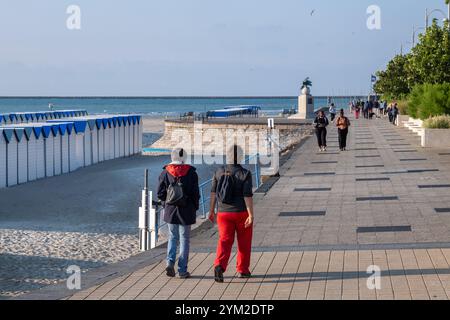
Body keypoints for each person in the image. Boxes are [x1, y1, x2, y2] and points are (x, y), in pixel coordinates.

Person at [209, 145, 254, 283]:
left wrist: (211, 211)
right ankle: (243, 270)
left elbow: (213, 193)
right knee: (244, 243)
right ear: (240, 157)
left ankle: (219, 266)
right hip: (241, 213)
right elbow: (247, 195)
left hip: (223, 213)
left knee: (224, 240)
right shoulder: (245, 174)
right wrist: (250, 214)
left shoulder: (218, 172)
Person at [157, 148, 200, 279]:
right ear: (184, 157)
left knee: (172, 237)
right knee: (184, 239)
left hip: (171, 210)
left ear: (172, 156)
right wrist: (194, 207)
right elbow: (195, 194)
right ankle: (182, 270)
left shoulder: (165, 172)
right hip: (186, 211)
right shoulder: (191, 173)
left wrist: (166, 204)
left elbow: (160, 193)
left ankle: (170, 262)